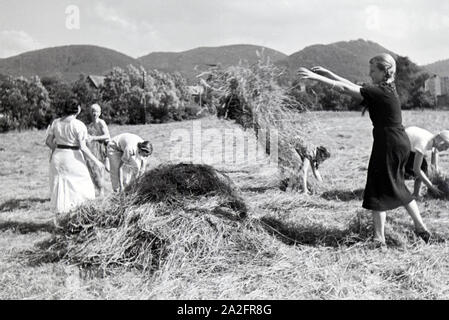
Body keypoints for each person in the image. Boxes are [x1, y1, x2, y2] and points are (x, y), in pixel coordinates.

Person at [297, 53, 432, 246]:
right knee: (396, 184)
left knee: (378, 187)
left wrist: (317, 78)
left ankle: (380, 238)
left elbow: (345, 89)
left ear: (384, 71)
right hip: (398, 141)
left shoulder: (381, 91)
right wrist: (329, 73)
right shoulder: (387, 88)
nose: (370, 75)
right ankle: (419, 227)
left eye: (373, 71)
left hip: (388, 143)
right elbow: (352, 86)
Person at [45, 98, 105, 215]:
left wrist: (56, 149)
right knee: (82, 184)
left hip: (58, 157)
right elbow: (83, 147)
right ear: (77, 109)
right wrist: (97, 161)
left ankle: (62, 215)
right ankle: (78, 214)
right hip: (73, 158)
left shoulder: (56, 122)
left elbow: (48, 141)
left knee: (60, 186)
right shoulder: (78, 125)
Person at [404, 126, 449, 198]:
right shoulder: (424, 143)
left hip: (408, 145)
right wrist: (431, 186)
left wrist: (439, 178)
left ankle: (416, 194)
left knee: (423, 167)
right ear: (441, 142)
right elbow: (417, 169)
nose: (446, 149)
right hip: (399, 144)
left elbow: (434, 166)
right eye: (446, 146)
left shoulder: (434, 141)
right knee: (415, 169)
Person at [86, 103, 110, 196]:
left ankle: (102, 190)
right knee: (93, 168)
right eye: (92, 111)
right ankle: (97, 188)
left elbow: (107, 135)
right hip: (94, 148)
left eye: (96, 111)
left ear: (99, 113)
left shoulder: (101, 122)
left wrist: (94, 138)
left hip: (103, 147)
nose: (94, 113)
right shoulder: (91, 125)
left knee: (100, 169)